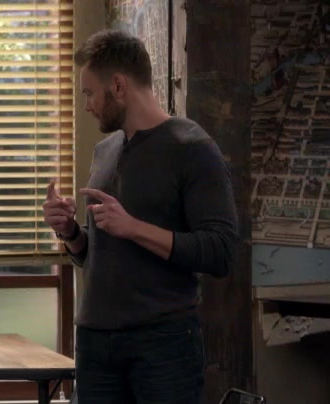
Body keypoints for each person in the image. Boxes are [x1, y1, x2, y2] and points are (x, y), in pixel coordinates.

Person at [43, 29, 239, 403]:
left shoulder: (191, 147)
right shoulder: (105, 151)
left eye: (89, 93)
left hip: (162, 346)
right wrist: (70, 231)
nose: (86, 105)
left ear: (118, 86)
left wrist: (134, 228)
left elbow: (221, 250)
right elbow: (97, 256)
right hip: (95, 344)